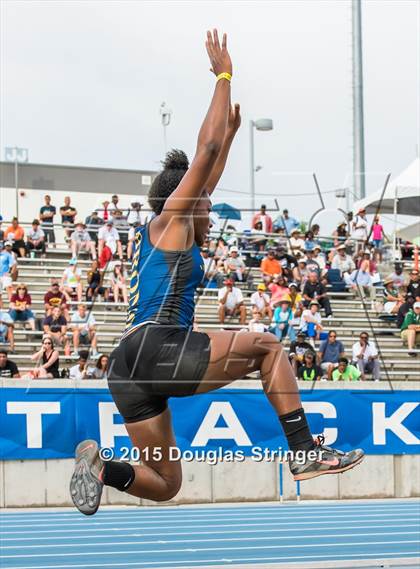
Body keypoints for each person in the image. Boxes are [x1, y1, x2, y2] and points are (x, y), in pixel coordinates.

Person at [70, 31, 363, 517]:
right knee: (268, 347)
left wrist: (228, 135)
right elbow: (202, 159)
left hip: (126, 370)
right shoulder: (172, 221)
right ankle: (305, 451)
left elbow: (208, 167)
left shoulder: (164, 232)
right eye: (205, 200)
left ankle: (101, 468)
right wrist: (223, 77)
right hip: (155, 346)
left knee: (165, 483)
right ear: (187, 201)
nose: (211, 208)